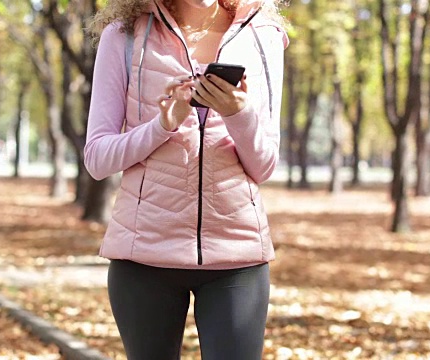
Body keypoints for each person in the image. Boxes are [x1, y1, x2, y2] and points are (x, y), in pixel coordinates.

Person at [84, 0, 288, 359]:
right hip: (143, 256)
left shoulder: (264, 36)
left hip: (236, 257)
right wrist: (163, 125)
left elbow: (265, 165)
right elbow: (98, 158)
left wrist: (238, 113)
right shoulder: (125, 36)